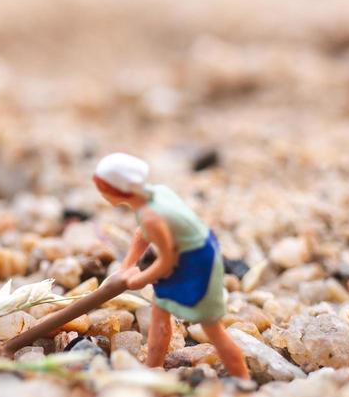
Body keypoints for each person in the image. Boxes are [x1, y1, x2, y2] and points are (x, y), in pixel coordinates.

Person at [94, 152, 250, 380]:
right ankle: (152, 367)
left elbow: (167, 261)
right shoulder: (153, 196)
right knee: (160, 309)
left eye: (102, 188)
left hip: (197, 263)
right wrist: (127, 264)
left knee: (212, 328)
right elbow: (142, 235)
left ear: (118, 190)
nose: (101, 194)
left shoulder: (151, 216)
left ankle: (242, 379)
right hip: (188, 253)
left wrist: (137, 280)